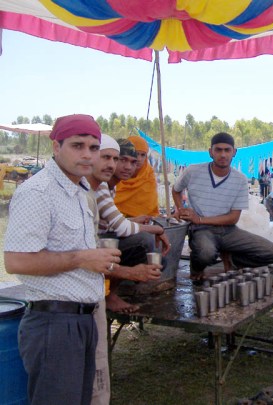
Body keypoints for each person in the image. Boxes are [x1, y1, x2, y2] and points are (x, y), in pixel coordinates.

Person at [4, 114, 122, 405]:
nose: (87, 154)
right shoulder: (38, 192)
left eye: (93, 147)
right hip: (53, 324)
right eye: (77, 145)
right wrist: (82, 258)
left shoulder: (79, 190)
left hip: (82, 319)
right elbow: (17, 262)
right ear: (56, 147)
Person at [171, 132, 273, 282]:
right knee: (206, 253)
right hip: (201, 230)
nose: (223, 155)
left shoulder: (240, 179)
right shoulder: (193, 171)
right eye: (218, 150)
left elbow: (233, 218)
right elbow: (176, 190)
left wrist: (200, 219)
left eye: (227, 150)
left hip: (228, 230)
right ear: (210, 152)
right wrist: (180, 209)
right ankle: (197, 267)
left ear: (234, 152)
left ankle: (231, 259)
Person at [95, 138, 169, 312]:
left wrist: (134, 221)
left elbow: (106, 224)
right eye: (121, 160)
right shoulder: (100, 185)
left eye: (134, 162)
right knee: (143, 241)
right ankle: (107, 295)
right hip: (89, 248)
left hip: (103, 238)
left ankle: (109, 291)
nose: (128, 167)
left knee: (160, 260)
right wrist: (157, 229)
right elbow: (120, 227)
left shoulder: (112, 186)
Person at [114, 135, 160, 217]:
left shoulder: (148, 175)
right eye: (136, 154)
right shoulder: (113, 175)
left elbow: (151, 209)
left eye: (143, 155)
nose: (139, 159)